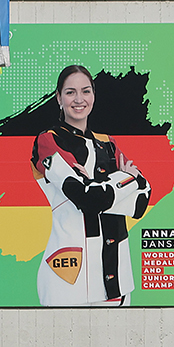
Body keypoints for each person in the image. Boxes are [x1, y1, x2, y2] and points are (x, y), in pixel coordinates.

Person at [33, 65, 151, 307]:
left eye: (86, 91)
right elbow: (89, 200)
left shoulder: (108, 144)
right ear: (58, 98)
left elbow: (142, 199)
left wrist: (97, 185)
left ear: (94, 96)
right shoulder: (49, 140)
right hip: (69, 279)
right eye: (70, 92)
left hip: (118, 282)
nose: (79, 99)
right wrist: (123, 179)